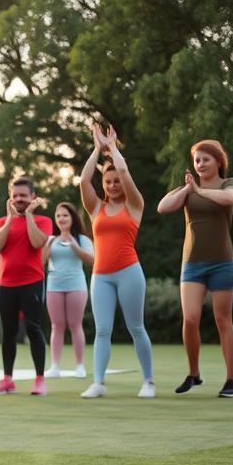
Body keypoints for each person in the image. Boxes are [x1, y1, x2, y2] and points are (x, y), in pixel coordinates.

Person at [157, 140, 233, 397]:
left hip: (222, 262)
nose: (200, 164)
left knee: (222, 320)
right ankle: (194, 375)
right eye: (197, 160)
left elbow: (230, 198)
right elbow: (163, 207)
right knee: (190, 318)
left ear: (218, 161)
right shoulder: (188, 189)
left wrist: (200, 191)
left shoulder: (229, 183)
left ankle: (231, 380)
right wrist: (188, 189)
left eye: (206, 159)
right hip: (192, 264)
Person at [78, 122, 155, 398]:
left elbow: (122, 169)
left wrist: (111, 148)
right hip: (101, 276)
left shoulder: (135, 205)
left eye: (116, 181)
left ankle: (148, 382)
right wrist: (97, 149)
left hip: (129, 273)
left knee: (136, 327)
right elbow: (83, 181)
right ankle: (98, 383)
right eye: (108, 181)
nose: (112, 184)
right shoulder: (96, 207)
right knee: (102, 330)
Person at [0, 178, 53, 395]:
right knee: (8, 332)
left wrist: (29, 216)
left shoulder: (42, 221)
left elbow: (37, 242)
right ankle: (7, 380)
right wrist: (9, 219)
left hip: (32, 283)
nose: (18, 200)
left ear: (33, 197)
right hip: (6, 284)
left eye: (23, 196)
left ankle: (40, 380)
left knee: (34, 329)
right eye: (14, 196)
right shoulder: (0, 223)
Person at [42, 202, 94, 379]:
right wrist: (49, 245)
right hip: (54, 285)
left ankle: (79, 366)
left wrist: (74, 246)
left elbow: (92, 260)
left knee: (75, 324)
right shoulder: (50, 239)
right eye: (58, 216)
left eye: (65, 215)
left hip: (76, 285)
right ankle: (54, 366)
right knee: (56, 326)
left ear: (72, 218)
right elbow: (41, 260)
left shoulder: (82, 239)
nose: (61, 219)